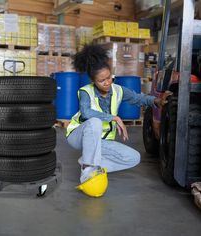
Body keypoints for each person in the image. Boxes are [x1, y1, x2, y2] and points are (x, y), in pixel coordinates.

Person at [66, 44, 170, 189]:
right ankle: (87, 174)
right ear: (93, 81)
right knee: (94, 121)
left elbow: (137, 98)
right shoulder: (86, 92)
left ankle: (91, 163)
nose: (107, 82)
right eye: (102, 81)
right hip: (78, 137)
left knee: (133, 158)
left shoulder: (118, 90)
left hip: (101, 142)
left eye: (109, 77)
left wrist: (157, 101)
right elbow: (86, 112)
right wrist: (114, 118)